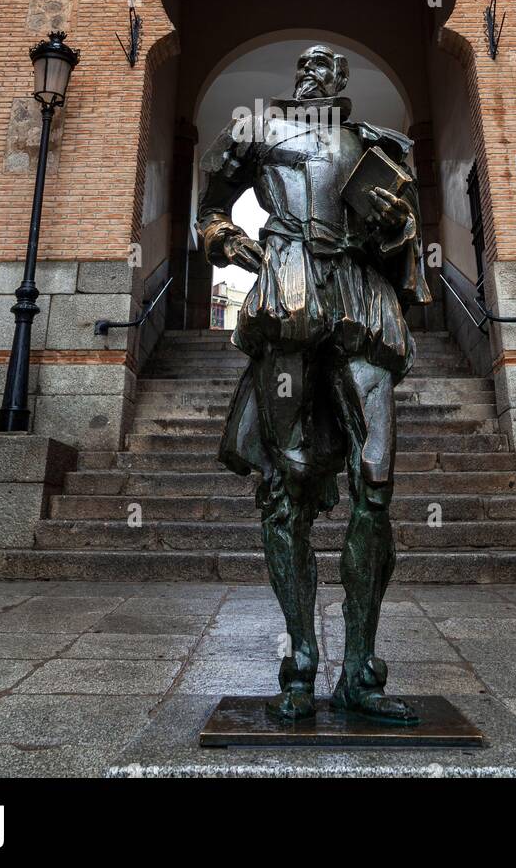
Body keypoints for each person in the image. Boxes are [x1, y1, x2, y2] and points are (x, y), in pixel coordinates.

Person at [197, 44, 431, 721]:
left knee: (376, 481)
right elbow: (209, 206)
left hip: (360, 299)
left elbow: (403, 238)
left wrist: (396, 229)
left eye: (329, 66)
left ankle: (359, 670)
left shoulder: (376, 145)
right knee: (284, 489)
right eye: (308, 65)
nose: (316, 70)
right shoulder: (255, 128)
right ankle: (301, 659)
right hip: (290, 294)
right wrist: (221, 240)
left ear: (343, 81)